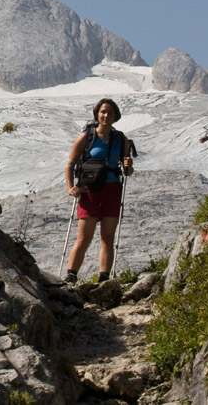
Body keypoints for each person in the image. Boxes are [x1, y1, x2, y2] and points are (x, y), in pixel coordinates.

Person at [63, 98, 133, 284]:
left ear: (115, 116)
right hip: (90, 191)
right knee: (84, 237)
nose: (106, 115)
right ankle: (71, 276)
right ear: (97, 114)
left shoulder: (121, 139)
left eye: (109, 112)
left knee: (107, 237)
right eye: (103, 112)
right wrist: (70, 187)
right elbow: (70, 164)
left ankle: (104, 279)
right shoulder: (86, 137)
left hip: (112, 190)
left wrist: (129, 165)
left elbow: (127, 172)